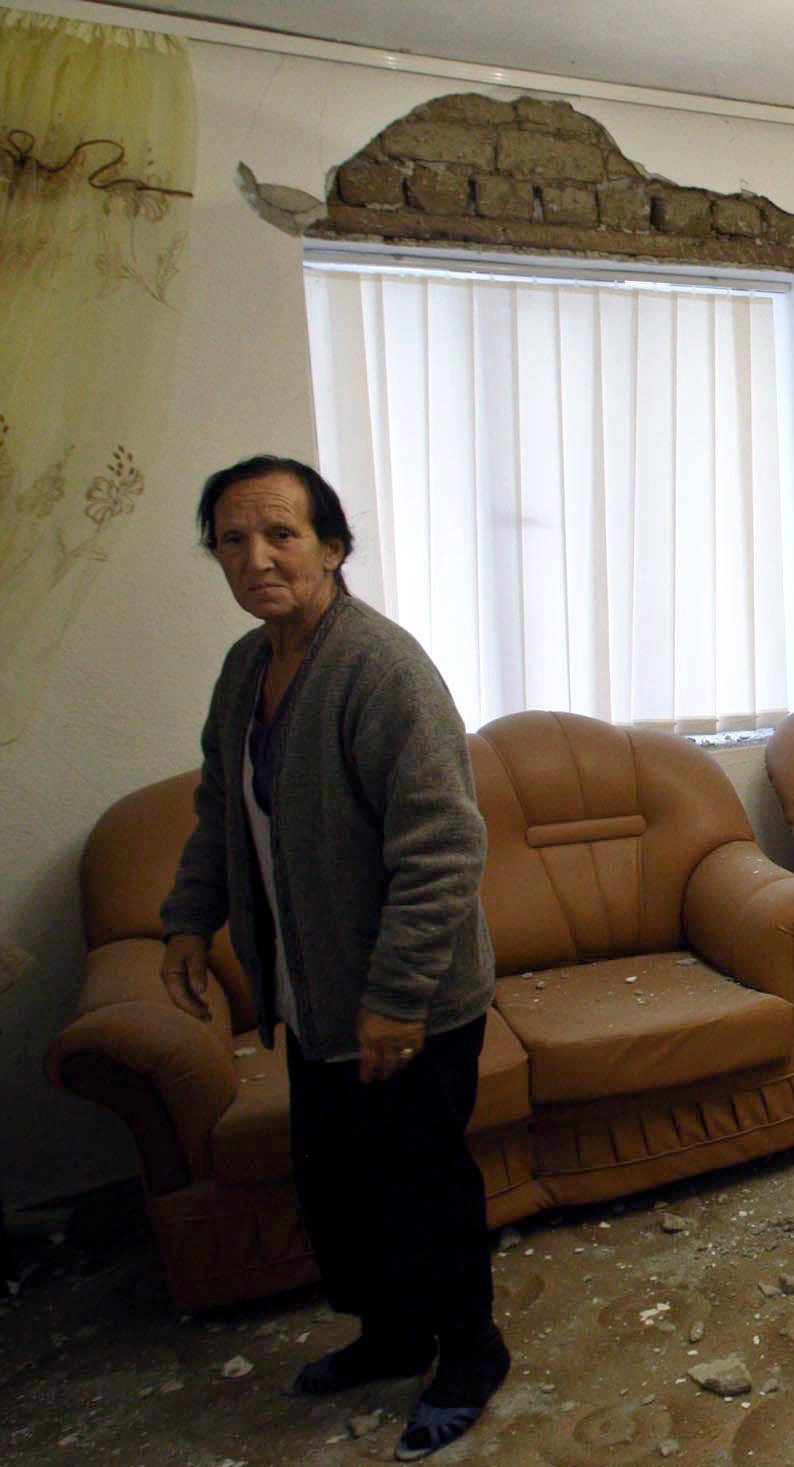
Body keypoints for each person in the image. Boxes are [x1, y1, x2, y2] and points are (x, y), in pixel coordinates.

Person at [156, 455, 507, 1461]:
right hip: (314, 996)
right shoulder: (245, 669)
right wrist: (190, 917)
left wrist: (394, 999)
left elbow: (443, 846)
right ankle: (391, 1335)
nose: (257, 558)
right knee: (341, 1183)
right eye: (232, 539)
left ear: (334, 547)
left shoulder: (379, 668)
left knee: (422, 1179)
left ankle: (471, 1353)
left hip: (412, 1002)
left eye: (282, 535)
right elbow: (225, 808)